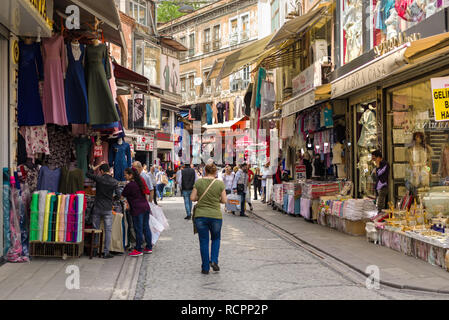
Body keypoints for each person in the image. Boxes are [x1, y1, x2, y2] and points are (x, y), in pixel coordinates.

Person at [190, 163, 227, 274]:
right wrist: (216, 199)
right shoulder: (219, 183)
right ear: (215, 172)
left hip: (201, 216)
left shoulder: (199, 182)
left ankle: (205, 267)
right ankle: (214, 260)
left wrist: (199, 197)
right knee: (216, 239)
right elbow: (224, 200)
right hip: (215, 216)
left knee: (204, 241)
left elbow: (192, 198)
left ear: (205, 171)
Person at [86, 161, 121, 259]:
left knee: (95, 229)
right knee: (108, 230)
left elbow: (88, 173)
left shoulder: (99, 178)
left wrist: (96, 166)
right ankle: (106, 252)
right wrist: (112, 200)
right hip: (108, 208)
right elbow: (119, 195)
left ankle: (95, 250)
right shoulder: (114, 182)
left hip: (97, 207)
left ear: (101, 171)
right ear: (109, 171)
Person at [122, 168, 152, 257]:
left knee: (138, 229)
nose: (124, 176)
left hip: (137, 209)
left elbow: (122, 195)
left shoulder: (130, 185)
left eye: (126, 174)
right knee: (146, 227)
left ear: (131, 175)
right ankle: (148, 247)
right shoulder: (139, 182)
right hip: (145, 207)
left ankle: (138, 249)